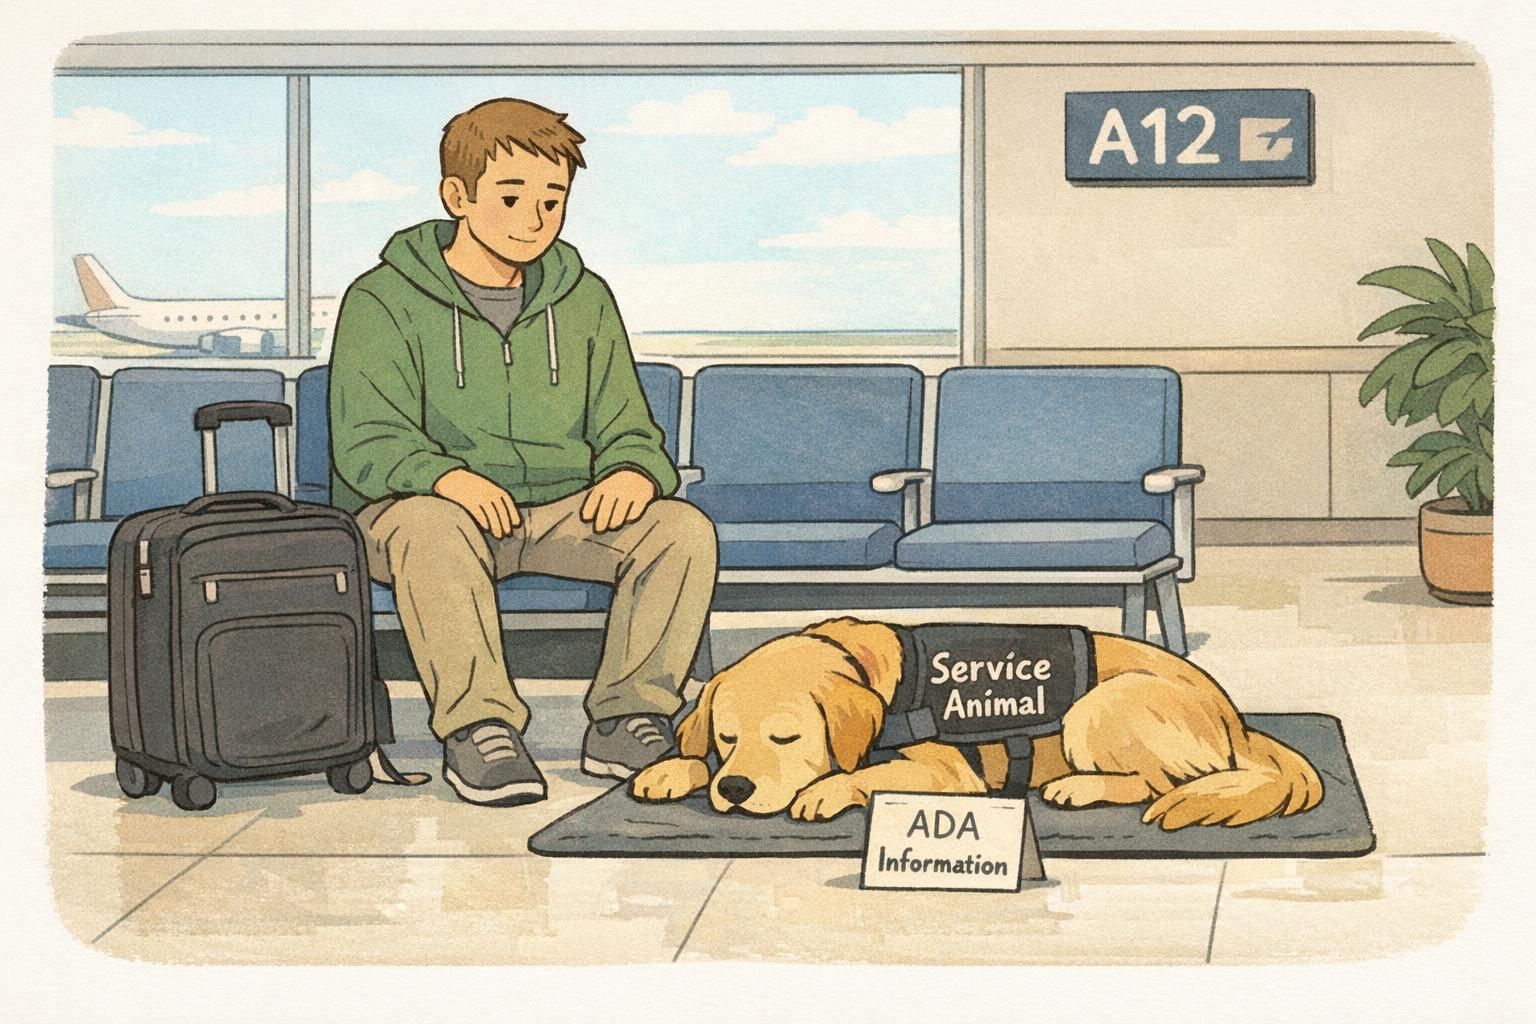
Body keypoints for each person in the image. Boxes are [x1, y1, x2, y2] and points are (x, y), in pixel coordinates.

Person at [328, 97, 717, 806]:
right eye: (511, 197)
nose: (535, 218)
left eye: (552, 200)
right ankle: (479, 728)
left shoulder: (585, 298)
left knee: (679, 528)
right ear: (458, 197)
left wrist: (634, 471)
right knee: (430, 526)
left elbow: (629, 425)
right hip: (419, 516)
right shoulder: (381, 299)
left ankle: (628, 718)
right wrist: (447, 478)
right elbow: (367, 442)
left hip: (557, 512)